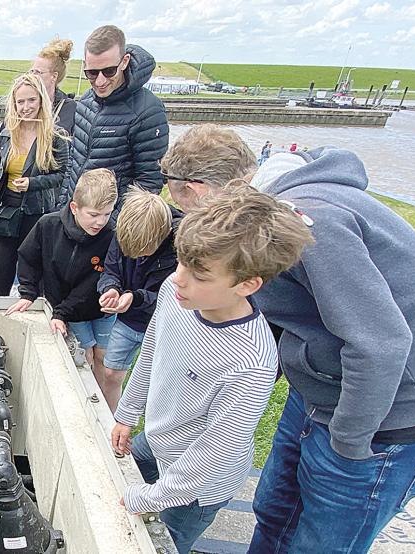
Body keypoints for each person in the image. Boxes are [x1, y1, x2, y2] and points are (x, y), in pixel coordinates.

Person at [161, 125, 415, 553]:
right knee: (275, 513)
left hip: (386, 415)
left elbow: (381, 344)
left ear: (198, 191)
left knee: (320, 543)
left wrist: (349, 444)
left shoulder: (310, 228)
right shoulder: (256, 224)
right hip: (318, 390)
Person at [111, 190, 313, 554]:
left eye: (199, 275)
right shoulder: (176, 298)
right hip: (158, 440)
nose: (177, 279)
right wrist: (127, 414)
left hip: (198, 487)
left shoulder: (251, 361)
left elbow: (215, 452)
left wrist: (153, 496)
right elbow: (152, 350)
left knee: (163, 544)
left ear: (247, 284)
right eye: (180, 263)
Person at [6, 169, 118, 375]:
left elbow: (94, 282)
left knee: (105, 359)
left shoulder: (110, 236)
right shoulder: (48, 225)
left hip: (99, 308)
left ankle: (105, 403)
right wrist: (29, 293)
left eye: (107, 214)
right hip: (69, 309)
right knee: (85, 356)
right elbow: (29, 258)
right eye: (93, 215)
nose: (101, 222)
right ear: (74, 207)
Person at [58, 25, 169, 217]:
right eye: (91, 73)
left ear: (124, 61)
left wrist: (110, 224)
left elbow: (148, 183)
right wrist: (62, 209)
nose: (100, 81)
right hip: (77, 216)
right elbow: (73, 164)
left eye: (109, 71)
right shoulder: (85, 101)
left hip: (108, 226)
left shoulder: (148, 110)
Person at [0, 74, 69, 296]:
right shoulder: (6, 133)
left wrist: (33, 183)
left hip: (36, 211)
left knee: (34, 272)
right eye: (20, 102)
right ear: (14, 103)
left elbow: (62, 176)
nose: (26, 107)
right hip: (7, 209)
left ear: (41, 100)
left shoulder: (55, 136)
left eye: (31, 100)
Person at [94, 188, 181, 412]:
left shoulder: (180, 246)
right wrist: (111, 288)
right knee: (111, 372)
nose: (139, 256)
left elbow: (173, 298)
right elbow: (110, 270)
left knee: (158, 385)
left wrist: (135, 297)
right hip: (128, 319)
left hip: (161, 325)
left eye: (145, 251)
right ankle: (109, 424)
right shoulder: (123, 231)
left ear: (164, 233)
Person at [29, 37, 77, 135]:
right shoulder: (21, 105)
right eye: (32, 71)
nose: (32, 77)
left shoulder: (71, 110)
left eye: (38, 72)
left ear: (54, 76)